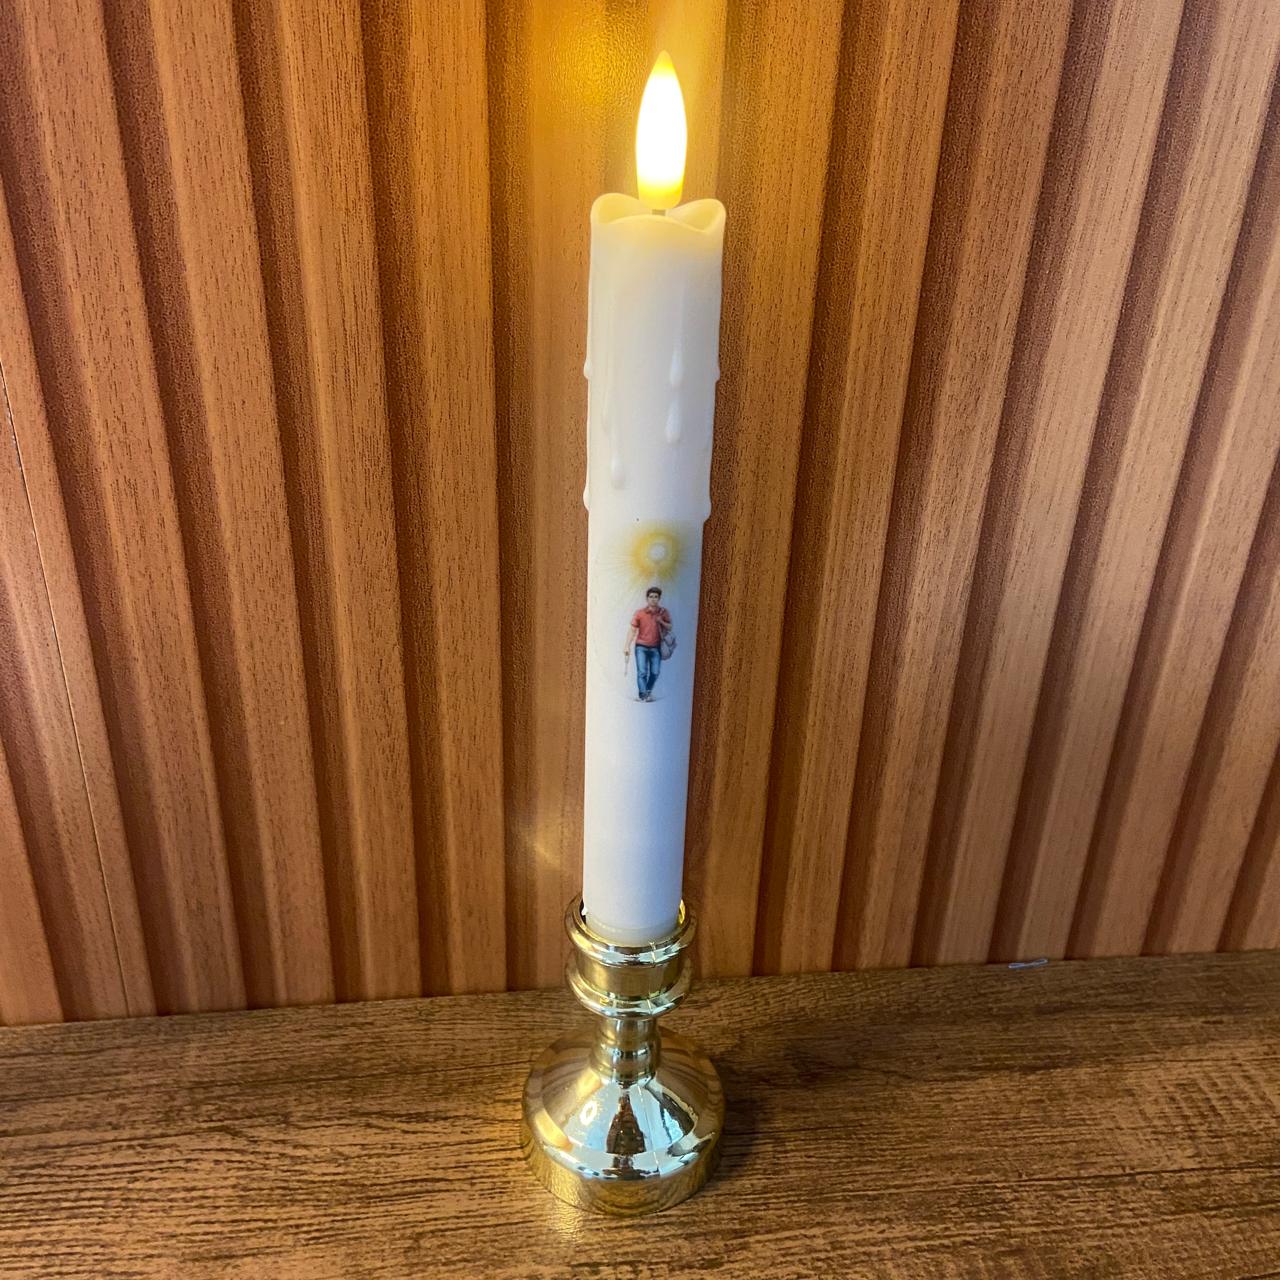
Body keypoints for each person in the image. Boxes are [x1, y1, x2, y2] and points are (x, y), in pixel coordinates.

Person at [625, 587, 672, 701]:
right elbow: (632, 630)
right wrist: (627, 645)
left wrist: (661, 621)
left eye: (656, 597)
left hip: (656, 647)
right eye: (651, 597)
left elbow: (670, 627)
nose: (653, 599)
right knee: (642, 672)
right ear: (647, 598)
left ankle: (647, 691)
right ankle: (643, 695)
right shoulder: (640, 613)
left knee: (655, 672)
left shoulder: (663, 612)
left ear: (659, 598)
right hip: (641, 647)